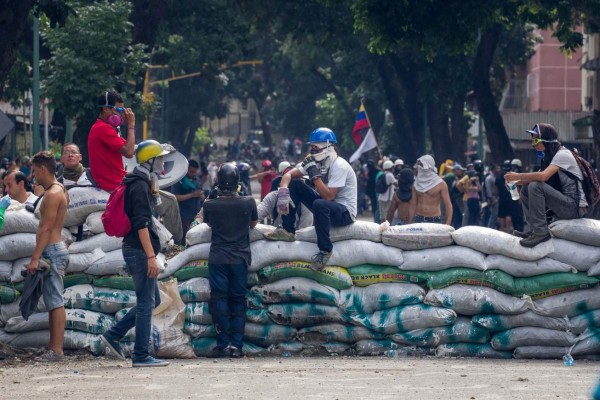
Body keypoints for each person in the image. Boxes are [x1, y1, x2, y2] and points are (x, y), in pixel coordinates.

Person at [100, 140, 171, 367]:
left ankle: (113, 335)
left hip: (138, 250)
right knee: (145, 302)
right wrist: (151, 257)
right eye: (159, 159)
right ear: (149, 161)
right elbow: (140, 224)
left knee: (153, 299)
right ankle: (140, 355)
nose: (162, 163)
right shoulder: (139, 186)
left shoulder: (143, 182)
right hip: (139, 251)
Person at [88, 90, 183, 242]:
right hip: (115, 185)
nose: (121, 115)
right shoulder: (102, 129)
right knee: (170, 201)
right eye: (118, 110)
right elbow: (129, 151)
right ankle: (177, 246)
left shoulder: (106, 128)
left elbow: (128, 149)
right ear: (106, 109)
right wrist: (131, 125)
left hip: (119, 180)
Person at [265, 127, 357, 270]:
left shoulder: (340, 166)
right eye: (311, 147)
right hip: (326, 206)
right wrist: (283, 191)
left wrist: (314, 176)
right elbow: (288, 175)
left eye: (315, 148)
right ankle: (288, 230)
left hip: (344, 212)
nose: (312, 151)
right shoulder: (317, 163)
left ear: (327, 147)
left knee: (320, 203)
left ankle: (325, 250)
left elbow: (329, 196)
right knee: (295, 184)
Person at [203, 163, 258, 358]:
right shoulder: (249, 202)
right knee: (238, 300)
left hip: (218, 257)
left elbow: (207, 224)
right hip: (240, 258)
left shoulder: (210, 204)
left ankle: (222, 345)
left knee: (219, 299)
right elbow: (253, 224)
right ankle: (237, 347)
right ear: (238, 183)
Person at [506, 123, 587, 247]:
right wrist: (514, 182)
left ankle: (541, 232)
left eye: (536, 140)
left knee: (535, 186)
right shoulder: (549, 158)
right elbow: (533, 178)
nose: (534, 144)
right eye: (532, 140)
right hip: (564, 204)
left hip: (575, 207)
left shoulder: (562, 155)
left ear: (547, 140)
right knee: (527, 188)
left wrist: (518, 176)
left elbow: (543, 176)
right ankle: (533, 230)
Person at [26, 151, 69, 361]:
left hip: (51, 249)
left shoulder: (52, 194)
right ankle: (53, 347)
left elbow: (45, 228)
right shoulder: (59, 189)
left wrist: (35, 257)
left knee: (56, 300)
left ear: (43, 168)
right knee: (52, 301)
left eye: (34, 171)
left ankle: (57, 350)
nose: (33, 176)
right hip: (55, 248)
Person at [408, 155, 452, 225]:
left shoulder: (440, 184)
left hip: (434, 220)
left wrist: (448, 223)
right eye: (419, 165)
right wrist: (409, 222)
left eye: (422, 165)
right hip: (418, 219)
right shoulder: (416, 184)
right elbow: (413, 204)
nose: (421, 168)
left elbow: (448, 205)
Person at [172, 160, 205, 242]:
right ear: (186, 169)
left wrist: (201, 196)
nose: (193, 174)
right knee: (185, 238)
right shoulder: (179, 180)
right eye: (191, 171)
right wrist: (192, 195)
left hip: (196, 215)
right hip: (184, 215)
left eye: (195, 172)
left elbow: (202, 195)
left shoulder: (196, 179)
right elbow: (175, 197)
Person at [378, 160, 397, 224]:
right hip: (387, 199)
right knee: (387, 216)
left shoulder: (383, 174)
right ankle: (386, 229)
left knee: (382, 216)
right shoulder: (390, 175)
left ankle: (382, 229)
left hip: (381, 198)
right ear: (390, 167)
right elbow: (396, 184)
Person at [485, 164, 500, 228]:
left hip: (496, 197)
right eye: (497, 168)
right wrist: (491, 198)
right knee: (493, 214)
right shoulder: (489, 178)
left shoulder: (495, 177)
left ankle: (493, 226)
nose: (498, 170)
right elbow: (488, 189)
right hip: (492, 198)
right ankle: (490, 227)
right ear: (494, 169)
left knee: (495, 214)